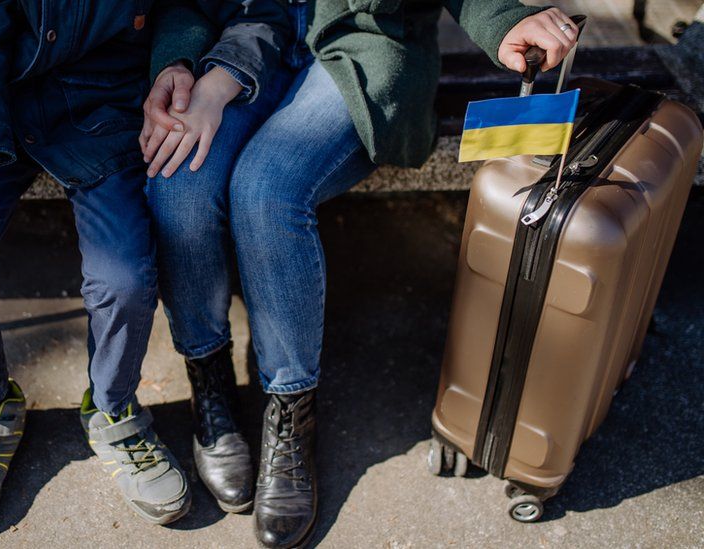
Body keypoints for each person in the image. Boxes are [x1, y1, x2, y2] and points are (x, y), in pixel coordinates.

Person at [142, 1, 580, 547]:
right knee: (178, 183)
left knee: (266, 190)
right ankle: (210, 386)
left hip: (362, 47)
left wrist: (503, 20)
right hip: (244, 40)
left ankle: (290, 414)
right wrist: (179, 64)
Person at [0, 0, 242, 531]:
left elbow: (184, 6)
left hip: (103, 106)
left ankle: (113, 409)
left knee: (126, 278)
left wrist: (173, 64)